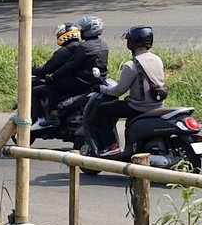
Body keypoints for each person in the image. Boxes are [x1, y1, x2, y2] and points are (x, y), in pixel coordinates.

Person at [88, 25, 166, 158]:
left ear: (132, 42)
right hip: (158, 105)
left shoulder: (132, 65)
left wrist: (100, 88)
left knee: (101, 110)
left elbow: (118, 91)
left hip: (138, 106)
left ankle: (111, 146)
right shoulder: (157, 59)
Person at [31, 22, 104, 127]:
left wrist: (31, 70)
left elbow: (47, 68)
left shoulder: (65, 51)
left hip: (73, 82)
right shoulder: (82, 47)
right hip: (86, 82)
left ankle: (46, 118)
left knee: (40, 89)